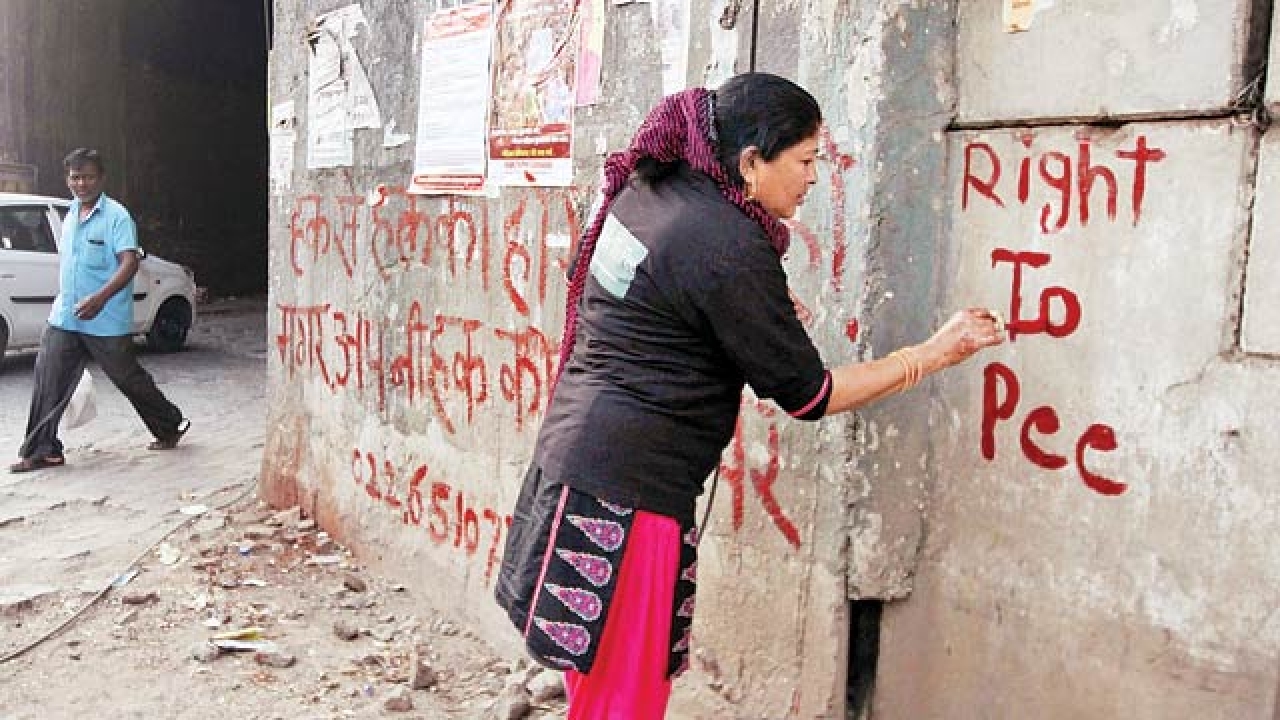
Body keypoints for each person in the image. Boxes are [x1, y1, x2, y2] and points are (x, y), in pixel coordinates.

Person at [494, 73, 1005, 718]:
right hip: (627, 497)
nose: (813, 178)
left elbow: (635, 290)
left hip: (575, 459)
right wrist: (932, 354)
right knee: (623, 699)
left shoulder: (653, 189)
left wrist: (732, 310)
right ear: (750, 163)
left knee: (602, 689)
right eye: (806, 160)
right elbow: (809, 393)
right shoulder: (726, 244)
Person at [9, 148, 189, 474]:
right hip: (65, 315)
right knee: (47, 377)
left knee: (127, 378)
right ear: (68, 179)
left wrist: (100, 299)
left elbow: (130, 262)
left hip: (104, 318)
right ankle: (42, 450)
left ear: (101, 178)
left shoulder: (117, 216)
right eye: (75, 177)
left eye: (88, 177)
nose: (82, 183)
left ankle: (169, 425)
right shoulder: (70, 214)